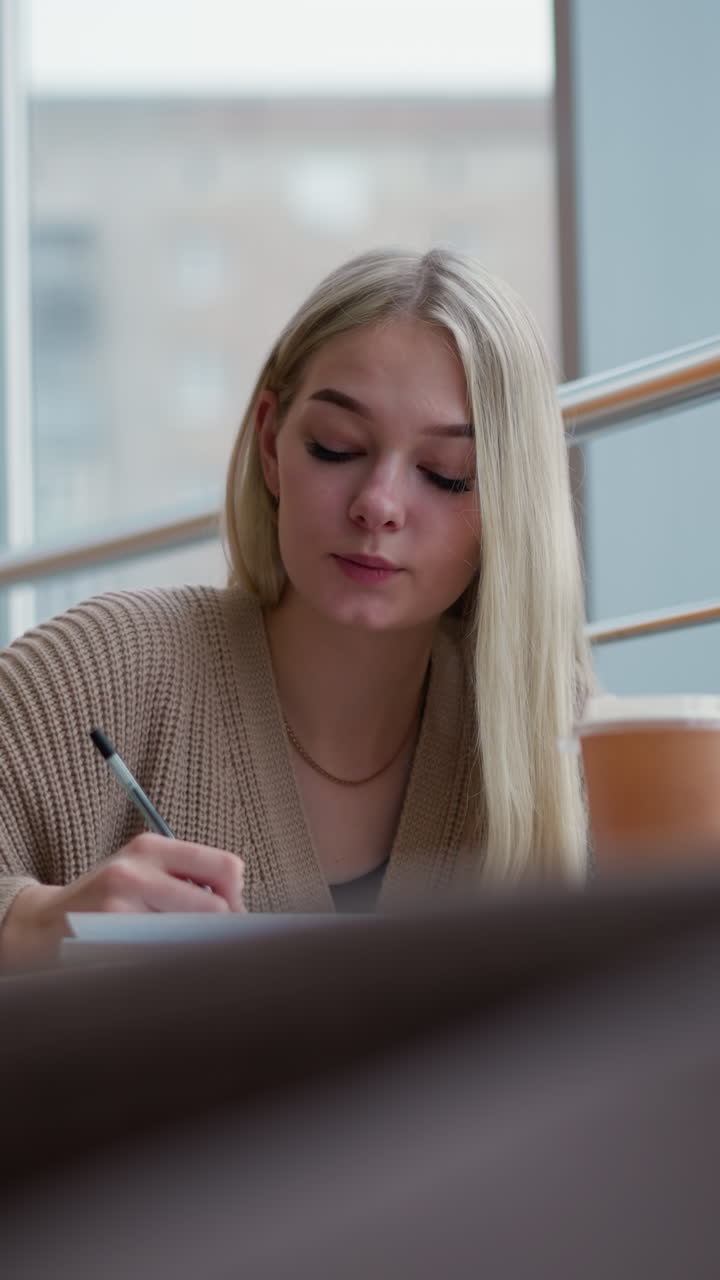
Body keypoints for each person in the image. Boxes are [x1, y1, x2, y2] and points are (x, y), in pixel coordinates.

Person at [0, 247, 594, 971]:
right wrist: (31, 927)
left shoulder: (564, 739)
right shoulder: (99, 669)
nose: (378, 504)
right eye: (336, 447)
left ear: (511, 505)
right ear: (271, 443)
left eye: (446, 476)